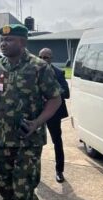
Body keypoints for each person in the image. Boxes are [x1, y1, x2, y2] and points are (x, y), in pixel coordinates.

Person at [0, 24, 61, 200]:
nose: (4, 44)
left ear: (22, 42)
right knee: (6, 192)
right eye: (2, 40)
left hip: (28, 142)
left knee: (23, 193)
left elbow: (55, 98)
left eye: (9, 40)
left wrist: (37, 122)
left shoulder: (39, 67)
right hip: (1, 141)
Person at [39, 48, 70, 183]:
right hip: (37, 113)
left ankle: (59, 171)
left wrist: (52, 92)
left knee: (57, 140)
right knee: (35, 143)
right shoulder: (31, 71)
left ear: (51, 58)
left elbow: (66, 93)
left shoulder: (58, 72)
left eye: (46, 57)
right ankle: (34, 171)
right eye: (41, 57)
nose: (43, 60)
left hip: (53, 112)